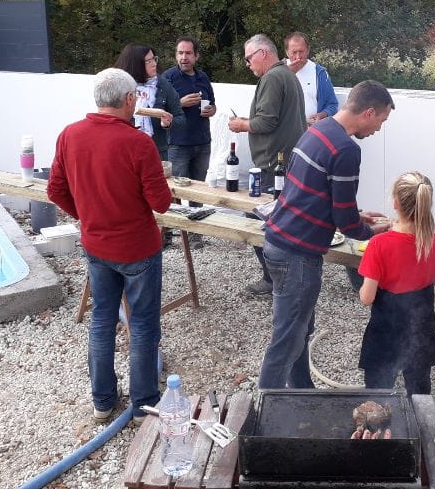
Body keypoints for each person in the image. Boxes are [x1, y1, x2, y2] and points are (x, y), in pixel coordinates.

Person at [47, 68, 173, 425]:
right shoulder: (138, 143)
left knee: (102, 318)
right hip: (137, 248)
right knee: (144, 323)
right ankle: (143, 404)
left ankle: (103, 401)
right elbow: (160, 203)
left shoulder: (69, 135)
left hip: (97, 245)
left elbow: (55, 190)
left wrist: (87, 215)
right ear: (130, 100)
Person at [258, 80, 395, 389]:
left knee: (300, 328)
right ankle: (265, 411)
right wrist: (372, 232)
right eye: (381, 121)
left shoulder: (317, 130)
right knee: (286, 339)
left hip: (277, 240)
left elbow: (314, 194)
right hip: (297, 253)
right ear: (368, 113)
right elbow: (346, 224)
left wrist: (358, 215)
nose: (378, 129)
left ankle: (302, 391)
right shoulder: (346, 149)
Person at [357, 172, 435, 395]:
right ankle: (419, 426)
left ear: (395, 202)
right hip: (420, 329)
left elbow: (367, 298)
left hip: (385, 332)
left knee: (378, 393)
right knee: (419, 390)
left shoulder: (379, 244)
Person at [228, 34, 306, 294]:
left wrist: (241, 125)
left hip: (274, 164)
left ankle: (274, 279)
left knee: (260, 221)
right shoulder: (287, 75)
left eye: (249, 58)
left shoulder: (272, 77)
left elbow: (266, 123)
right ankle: (283, 277)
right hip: (285, 159)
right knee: (281, 221)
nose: (248, 64)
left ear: (263, 53)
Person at [113, 43, 185, 161]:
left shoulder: (163, 85)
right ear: (137, 65)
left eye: (154, 59)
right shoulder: (120, 86)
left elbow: (181, 119)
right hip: (125, 150)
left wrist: (169, 122)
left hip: (156, 152)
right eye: (149, 61)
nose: (154, 64)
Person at [162, 36, 216, 182]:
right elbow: (159, 110)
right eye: (180, 53)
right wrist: (179, 104)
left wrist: (212, 110)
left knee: (199, 191)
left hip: (202, 143)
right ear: (176, 55)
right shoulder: (168, 78)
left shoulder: (203, 77)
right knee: (176, 192)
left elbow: (213, 105)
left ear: (196, 56)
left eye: (188, 53)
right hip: (178, 145)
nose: (184, 57)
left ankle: (196, 207)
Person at [284, 31, 339, 125]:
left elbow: (332, 105)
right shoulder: (277, 72)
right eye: (294, 52)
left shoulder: (319, 73)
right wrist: (287, 74)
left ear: (308, 50)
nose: (298, 57)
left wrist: (322, 115)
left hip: (310, 130)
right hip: (285, 129)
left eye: (301, 52)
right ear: (287, 52)